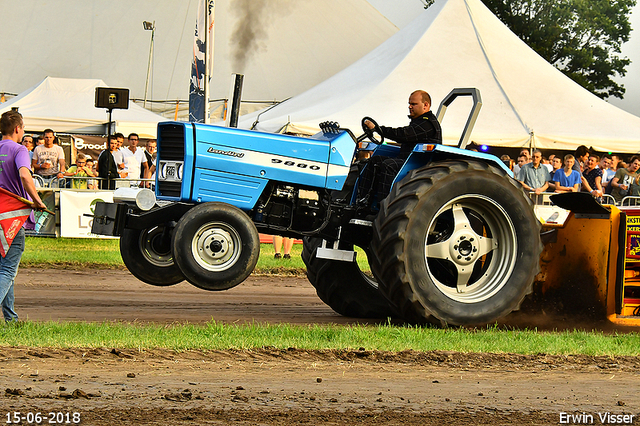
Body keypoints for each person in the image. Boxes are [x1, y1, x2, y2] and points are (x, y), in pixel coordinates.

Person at [356, 90, 442, 207]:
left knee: (389, 165)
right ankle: (362, 200)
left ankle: (384, 207)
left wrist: (377, 128)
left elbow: (404, 135)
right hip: (407, 161)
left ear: (425, 105)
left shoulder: (427, 124)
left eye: (413, 104)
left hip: (420, 165)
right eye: (409, 103)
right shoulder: (418, 122)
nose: (409, 106)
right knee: (375, 160)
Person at [0, 111, 46, 323]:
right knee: (9, 269)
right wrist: (37, 200)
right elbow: (25, 175)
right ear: (17, 128)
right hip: (13, 217)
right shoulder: (20, 149)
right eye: (24, 128)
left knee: (3, 268)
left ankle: (11, 319)